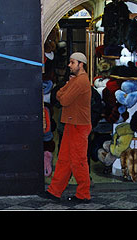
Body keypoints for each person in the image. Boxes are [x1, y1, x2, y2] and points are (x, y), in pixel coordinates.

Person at [40, 52, 92, 204]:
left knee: (78, 161)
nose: (69, 65)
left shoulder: (80, 81)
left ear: (81, 64)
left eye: (72, 62)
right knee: (64, 159)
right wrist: (66, 88)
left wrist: (65, 89)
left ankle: (83, 194)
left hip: (79, 125)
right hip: (73, 123)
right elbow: (60, 93)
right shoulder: (77, 81)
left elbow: (63, 99)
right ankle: (55, 191)